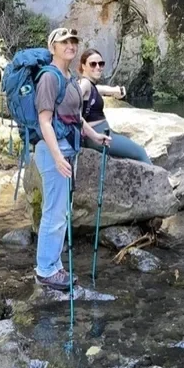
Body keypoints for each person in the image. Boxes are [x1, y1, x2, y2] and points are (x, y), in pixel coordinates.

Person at [34, 28, 111, 291]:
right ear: (52, 47)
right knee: (54, 213)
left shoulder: (68, 77)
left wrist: (95, 136)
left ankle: (53, 266)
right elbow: (44, 121)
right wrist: (57, 157)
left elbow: (75, 118)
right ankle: (45, 270)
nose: (70, 45)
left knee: (62, 212)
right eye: (64, 42)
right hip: (53, 151)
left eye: (73, 41)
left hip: (68, 149)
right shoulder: (49, 78)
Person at [78, 48, 151, 163]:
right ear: (83, 66)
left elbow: (98, 89)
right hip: (98, 135)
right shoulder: (85, 84)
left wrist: (114, 90)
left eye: (101, 64)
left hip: (100, 133)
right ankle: (160, 180)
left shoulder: (89, 84)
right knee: (140, 152)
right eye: (93, 64)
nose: (98, 67)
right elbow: (71, 108)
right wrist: (94, 135)